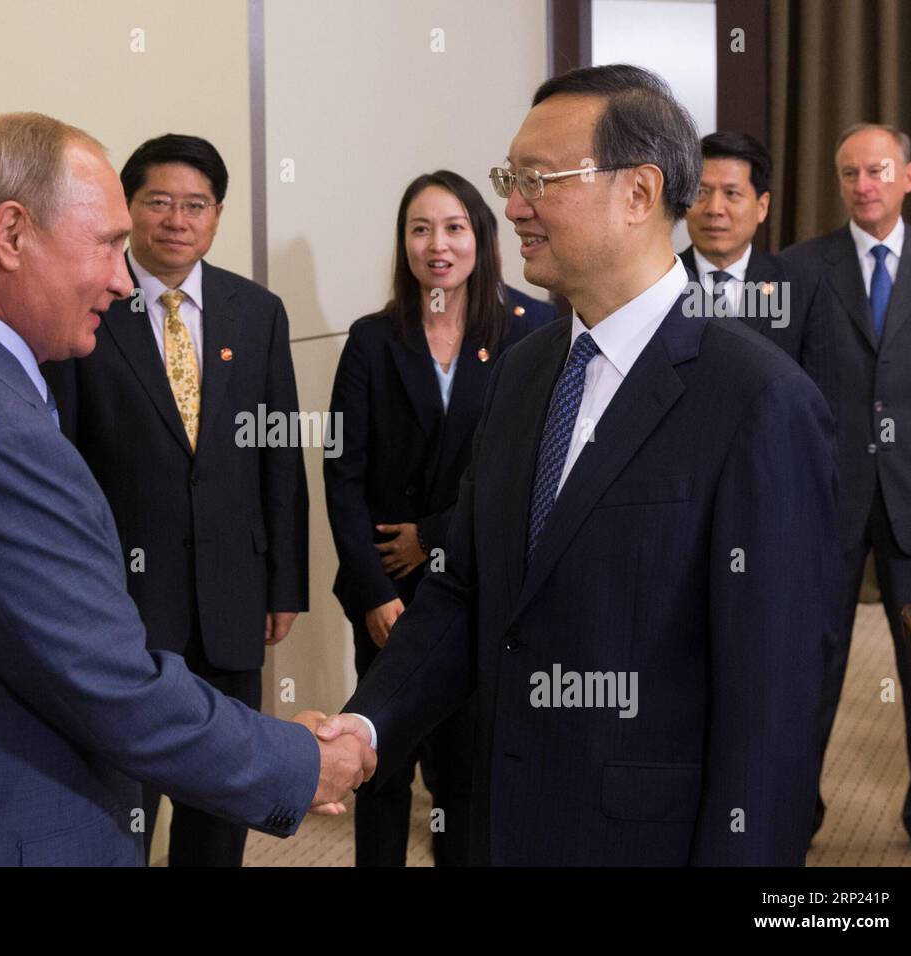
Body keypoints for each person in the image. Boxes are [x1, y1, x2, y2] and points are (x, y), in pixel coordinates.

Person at [0, 113, 370, 866]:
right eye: (106, 242)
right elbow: (115, 689)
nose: (118, 276)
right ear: (11, 234)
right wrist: (301, 762)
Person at [316, 64, 836, 865]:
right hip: (505, 822)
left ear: (638, 193)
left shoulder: (760, 403)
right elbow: (466, 589)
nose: (512, 207)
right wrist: (366, 725)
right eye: (509, 178)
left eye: (537, 180)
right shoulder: (525, 373)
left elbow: (772, 709)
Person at [41, 134, 308, 866]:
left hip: (231, 595)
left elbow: (278, 455)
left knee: (221, 794)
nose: (177, 220)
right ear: (129, 209)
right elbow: (63, 453)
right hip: (121, 601)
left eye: (196, 205)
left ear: (217, 215)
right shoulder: (90, 304)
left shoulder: (256, 311)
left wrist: (284, 580)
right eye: (158, 202)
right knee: (120, 798)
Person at [325, 169, 554, 866]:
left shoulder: (533, 329)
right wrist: (373, 591)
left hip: (481, 586)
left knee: (465, 775)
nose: (437, 245)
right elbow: (343, 470)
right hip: (386, 599)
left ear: (481, 238)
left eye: (454, 227)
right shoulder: (372, 339)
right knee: (382, 769)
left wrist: (433, 535)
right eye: (420, 228)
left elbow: (530, 468)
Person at [781, 122, 911, 856]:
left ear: (908, 177)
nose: (863, 185)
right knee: (808, 665)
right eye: (849, 173)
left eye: (877, 170)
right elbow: (776, 393)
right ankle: (791, 813)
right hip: (827, 497)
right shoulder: (801, 269)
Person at [680, 131, 829, 395]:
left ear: (762, 206)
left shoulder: (798, 286)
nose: (714, 208)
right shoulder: (660, 281)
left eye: (731, 193)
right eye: (701, 192)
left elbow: (816, 391)